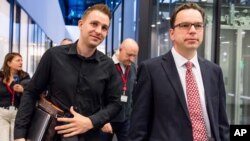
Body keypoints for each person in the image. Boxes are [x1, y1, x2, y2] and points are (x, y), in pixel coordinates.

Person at [14, 4, 122, 141]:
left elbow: (116, 104)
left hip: (89, 136)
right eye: (94, 24)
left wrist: (91, 121)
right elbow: (31, 92)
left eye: (104, 28)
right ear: (81, 24)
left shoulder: (108, 65)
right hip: (52, 134)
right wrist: (19, 135)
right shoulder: (53, 56)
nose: (99, 31)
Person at [129, 3, 229, 141]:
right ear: (172, 33)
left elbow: (221, 122)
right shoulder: (151, 70)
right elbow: (138, 127)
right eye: (185, 25)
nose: (193, 30)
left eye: (198, 25)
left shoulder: (214, 71)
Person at [101, 38, 139, 141]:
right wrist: (103, 121)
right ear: (120, 49)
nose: (131, 59)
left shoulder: (133, 68)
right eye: (129, 55)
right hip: (107, 119)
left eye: (134, 56)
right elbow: (98, 95)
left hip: (126, 119)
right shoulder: (106, 66)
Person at [0, 52, 30, 141]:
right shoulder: (1, 76)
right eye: (18, 60)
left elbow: (32, 93)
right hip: (2, 113)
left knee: (16, 139)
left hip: (18, 115)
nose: (21, 63)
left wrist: (23, 90)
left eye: (21, 60)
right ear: (9, 63)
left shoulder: (25, 77)